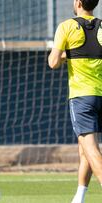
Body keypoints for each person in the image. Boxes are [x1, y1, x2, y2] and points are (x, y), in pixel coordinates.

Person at [48, 0, 102, 202]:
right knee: (84, 150)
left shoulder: (67, 26)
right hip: (100, 94)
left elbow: (53, 62)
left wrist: (64, 56)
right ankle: (79, 197)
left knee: (91, 149)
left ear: (78, 2)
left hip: (82, 97)